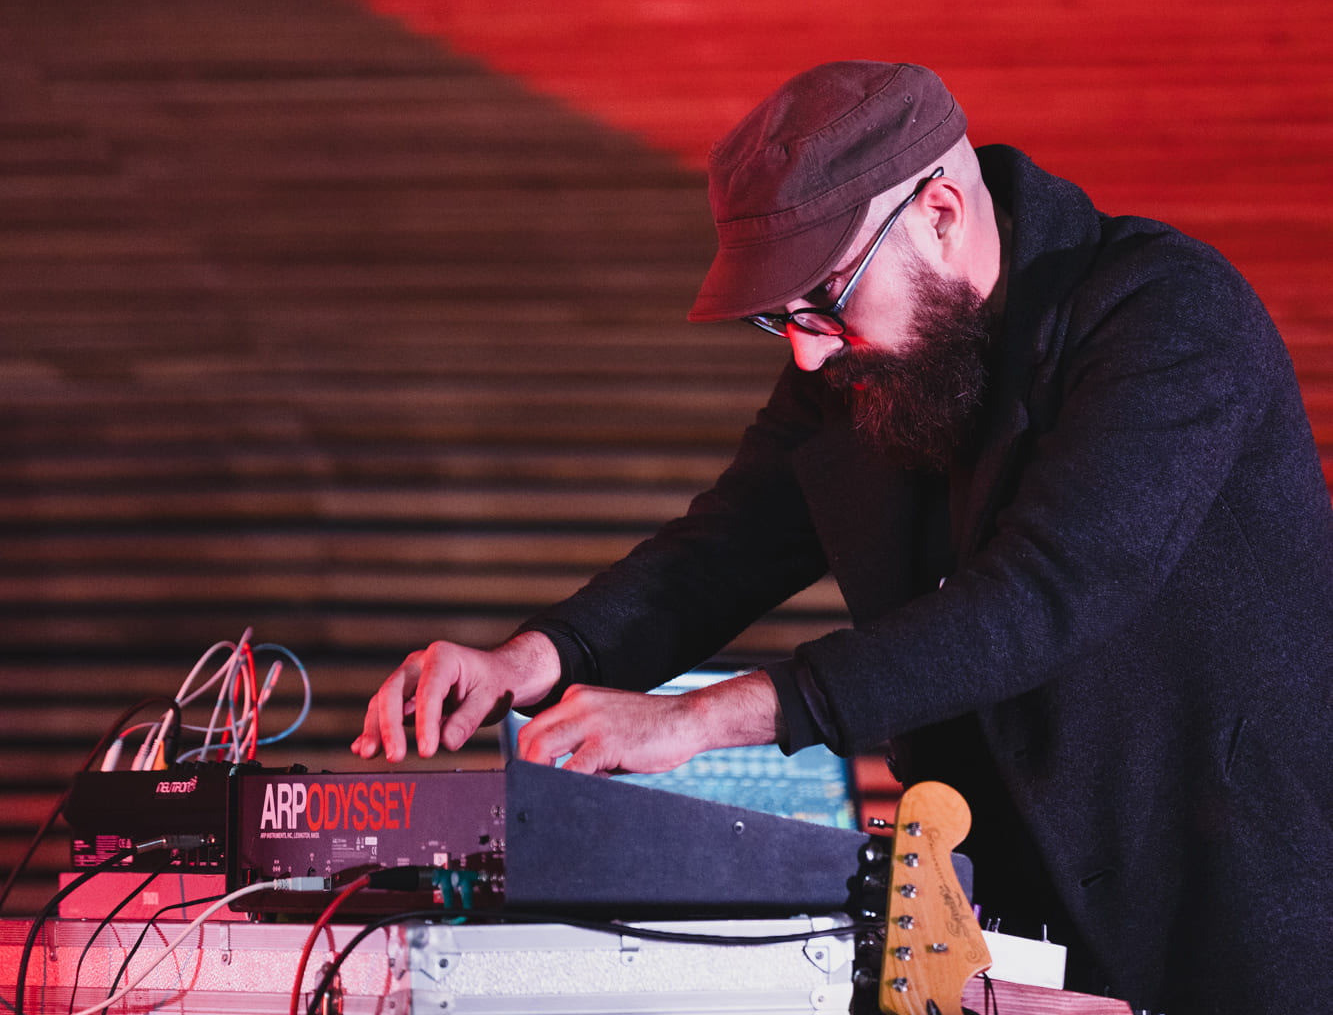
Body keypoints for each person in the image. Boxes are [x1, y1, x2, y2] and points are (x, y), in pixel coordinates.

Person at [355, 60, 1333, 1013]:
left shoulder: (1164, 311)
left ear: (939, 213)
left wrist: (701, 718)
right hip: (1006, 924)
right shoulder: (854, 361)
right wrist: (532, 655)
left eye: (823, 297)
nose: (807, 348)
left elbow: (1040, 596)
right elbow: (725, 544)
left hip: (1234, 901)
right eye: (778, 318)